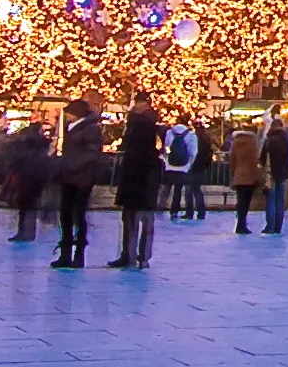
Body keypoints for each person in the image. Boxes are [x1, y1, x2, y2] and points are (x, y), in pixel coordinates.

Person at [109, 92, 162, 269]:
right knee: (142, 219)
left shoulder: (139, 124)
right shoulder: (153, 125)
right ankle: (140, 256)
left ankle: (131, 256)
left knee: (133, 218)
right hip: (147, 179)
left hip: (137, 177)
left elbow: (134, 152)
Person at [52, 99, 103, 268]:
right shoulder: (72, 128)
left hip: (81, 179)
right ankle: (65, 253)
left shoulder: (90, 129)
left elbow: (92, 154)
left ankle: (78, 255)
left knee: (78, 215)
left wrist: (70, 165)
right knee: (65, 214)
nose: (66, 116)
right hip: (68, 177)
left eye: (68, 113)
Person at [6, 118, 52, 243]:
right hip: (38, 177)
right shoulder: (43, 146)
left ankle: (22, 232)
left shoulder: (23, 146)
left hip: (25, 176)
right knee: (32, 206)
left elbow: (16, 160)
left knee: (24, 206)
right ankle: (29, 232)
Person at [226, 119, 263, 234]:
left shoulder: (236, 141)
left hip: (239, 175)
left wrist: (233, 173)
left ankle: (239, 224)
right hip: (250, 176)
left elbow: (232, 159)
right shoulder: (253, 142)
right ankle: (242, 224)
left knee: (240, 200)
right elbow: (255, 159)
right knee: (246, 202)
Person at [260, 109, 288, 235]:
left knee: (271, 200)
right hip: (283, 172)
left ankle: (270, 226)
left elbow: (263, 158)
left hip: (271, 173)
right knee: (280, 200)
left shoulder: (269, 140)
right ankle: (278, 226)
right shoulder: (287, 139)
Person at [161, 115, 199, 221]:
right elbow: (193, 152)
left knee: (168, 187)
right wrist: (189, 163)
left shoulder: (169, 133)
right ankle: (186, 211)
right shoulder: (191, 135)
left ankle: (168, 209)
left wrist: (168, 157)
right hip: (184, 166)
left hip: (170, 165)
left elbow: (166, 147)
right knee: (182, 189)